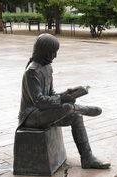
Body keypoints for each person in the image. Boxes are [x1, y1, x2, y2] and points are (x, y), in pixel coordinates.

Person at [18, 33, 111, 169]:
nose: (55, 56)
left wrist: (67, 94)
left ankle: (87, 158)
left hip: (43, 112)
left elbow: (51, 94)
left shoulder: (47, 68)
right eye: (53, 52)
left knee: (76, 116)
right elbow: (39, 102)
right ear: (44, 52)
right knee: (67, 107)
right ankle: (81, 107)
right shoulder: (32, 72)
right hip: (30, 116)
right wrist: (63, 100)